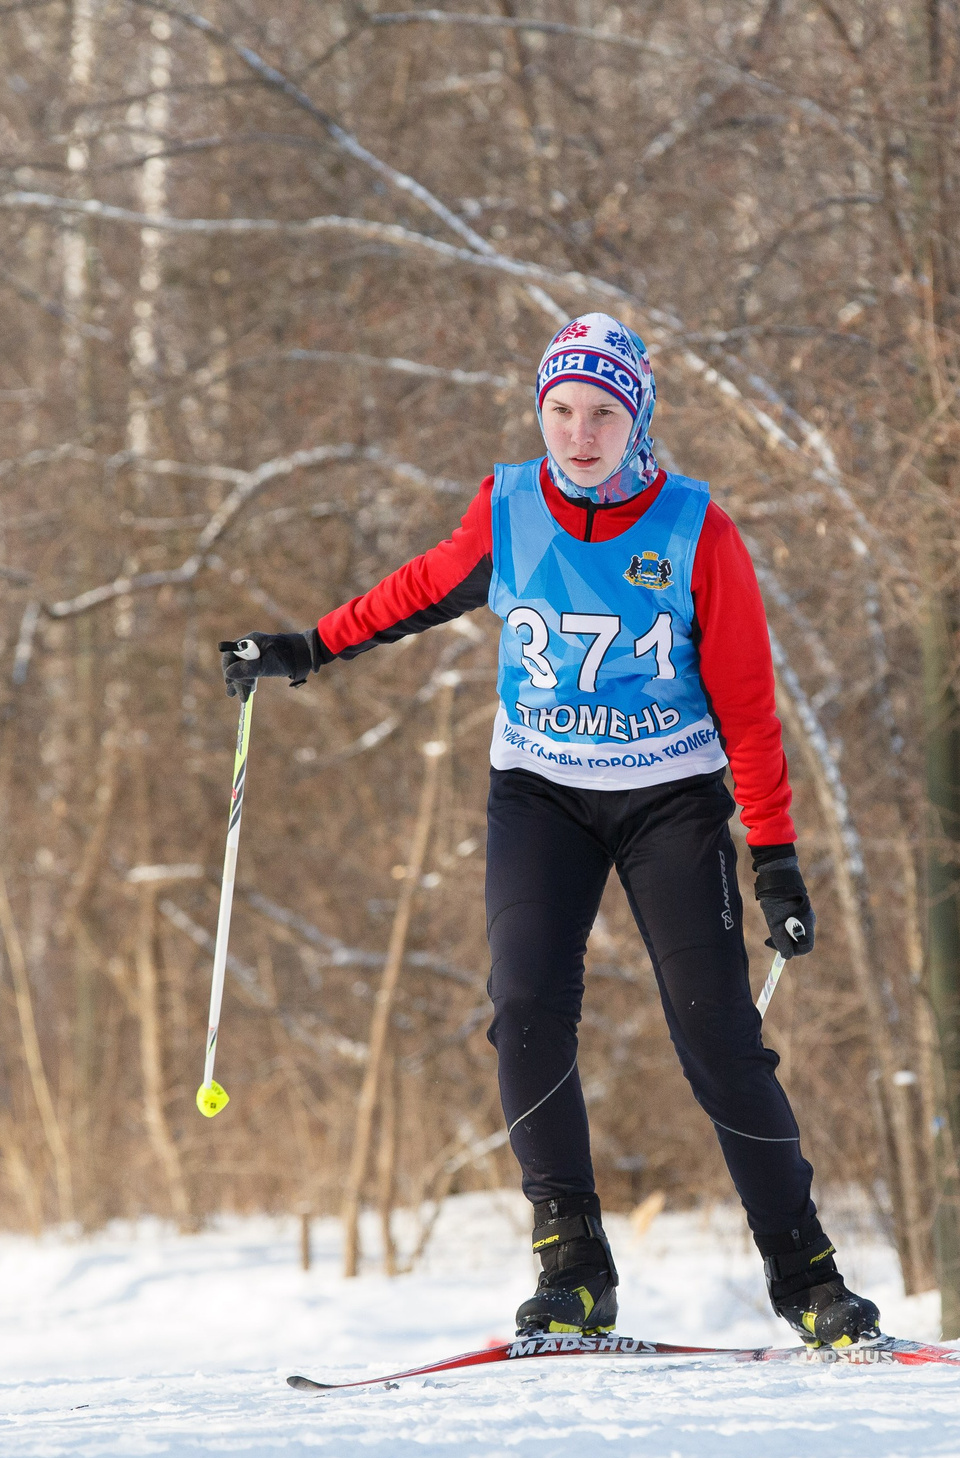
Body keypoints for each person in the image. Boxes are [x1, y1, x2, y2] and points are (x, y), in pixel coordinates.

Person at [219, 313, 880, 1349]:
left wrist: (777, 860)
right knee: (524, 1006)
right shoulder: (510, 506)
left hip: (670, 797)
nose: (578, 434)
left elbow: (748, 708)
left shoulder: (697, 530)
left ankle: (805, 1272)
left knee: (716, 1037)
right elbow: (420, 590)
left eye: (602, 414)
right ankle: (571, 1262)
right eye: (561, 411)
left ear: (638, 418)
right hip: (541, 795)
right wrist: (306, 647)